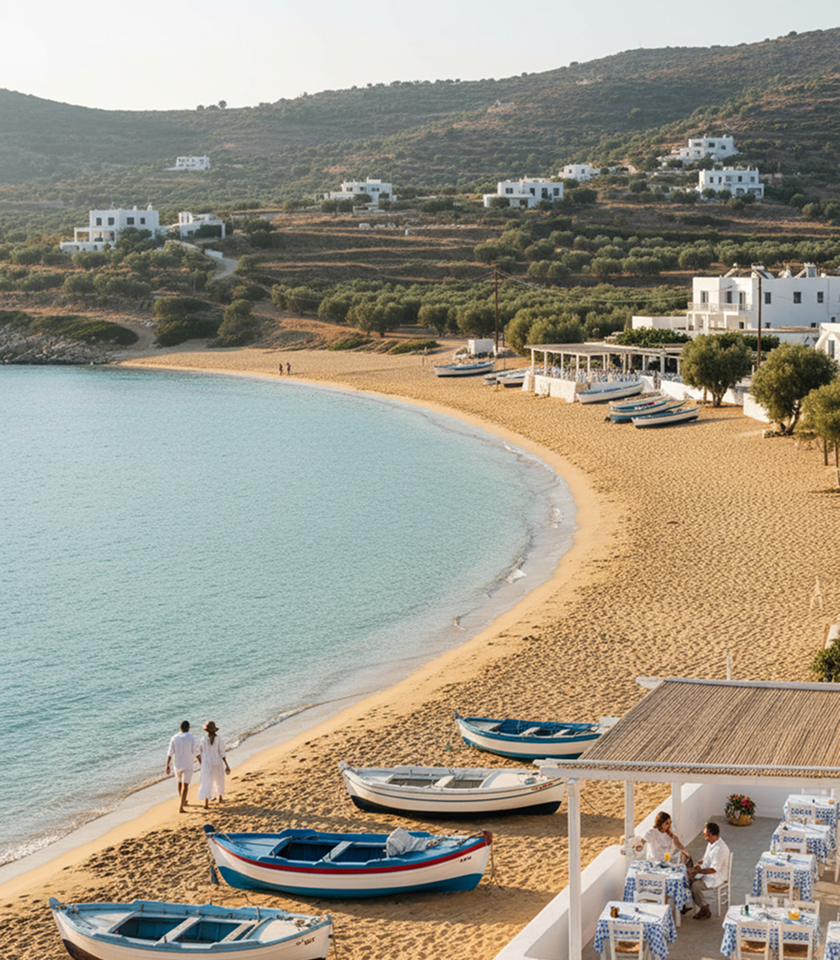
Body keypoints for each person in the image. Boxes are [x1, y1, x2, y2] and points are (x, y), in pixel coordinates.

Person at [688, 821, 730, 920]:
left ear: (710, 834)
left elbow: (714, 869)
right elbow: (708, 859)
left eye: (705, 833)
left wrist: (699, 871)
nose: (704, 835)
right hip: (708, 872)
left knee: (695, 886)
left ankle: (704, 908)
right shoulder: (711, 843)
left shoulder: (720, 849)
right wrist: (701, 862)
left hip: (716, 877)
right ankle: (687, 905)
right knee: (688, 879)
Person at [165, 720, 198, 813]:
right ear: (188, 728)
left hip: (177, 764)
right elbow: (195, 751)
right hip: (188, 764)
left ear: (180, 728)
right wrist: (200, 760)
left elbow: (170, 752)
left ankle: (182, 800)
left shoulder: (174, 738)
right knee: (186, 786)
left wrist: (167, 764)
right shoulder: (191, 738)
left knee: (179, 782)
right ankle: (181, 806)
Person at [197, 721, 230, 809]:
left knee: (206, 782)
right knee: (219, 780)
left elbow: (200, 752)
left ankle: (206, 803)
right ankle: (220, 797)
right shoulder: (218, 739)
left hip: (207, 763)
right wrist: (226, 764)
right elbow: (222, 753)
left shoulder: (203, 740)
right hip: (217, 761)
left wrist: (201, 763)